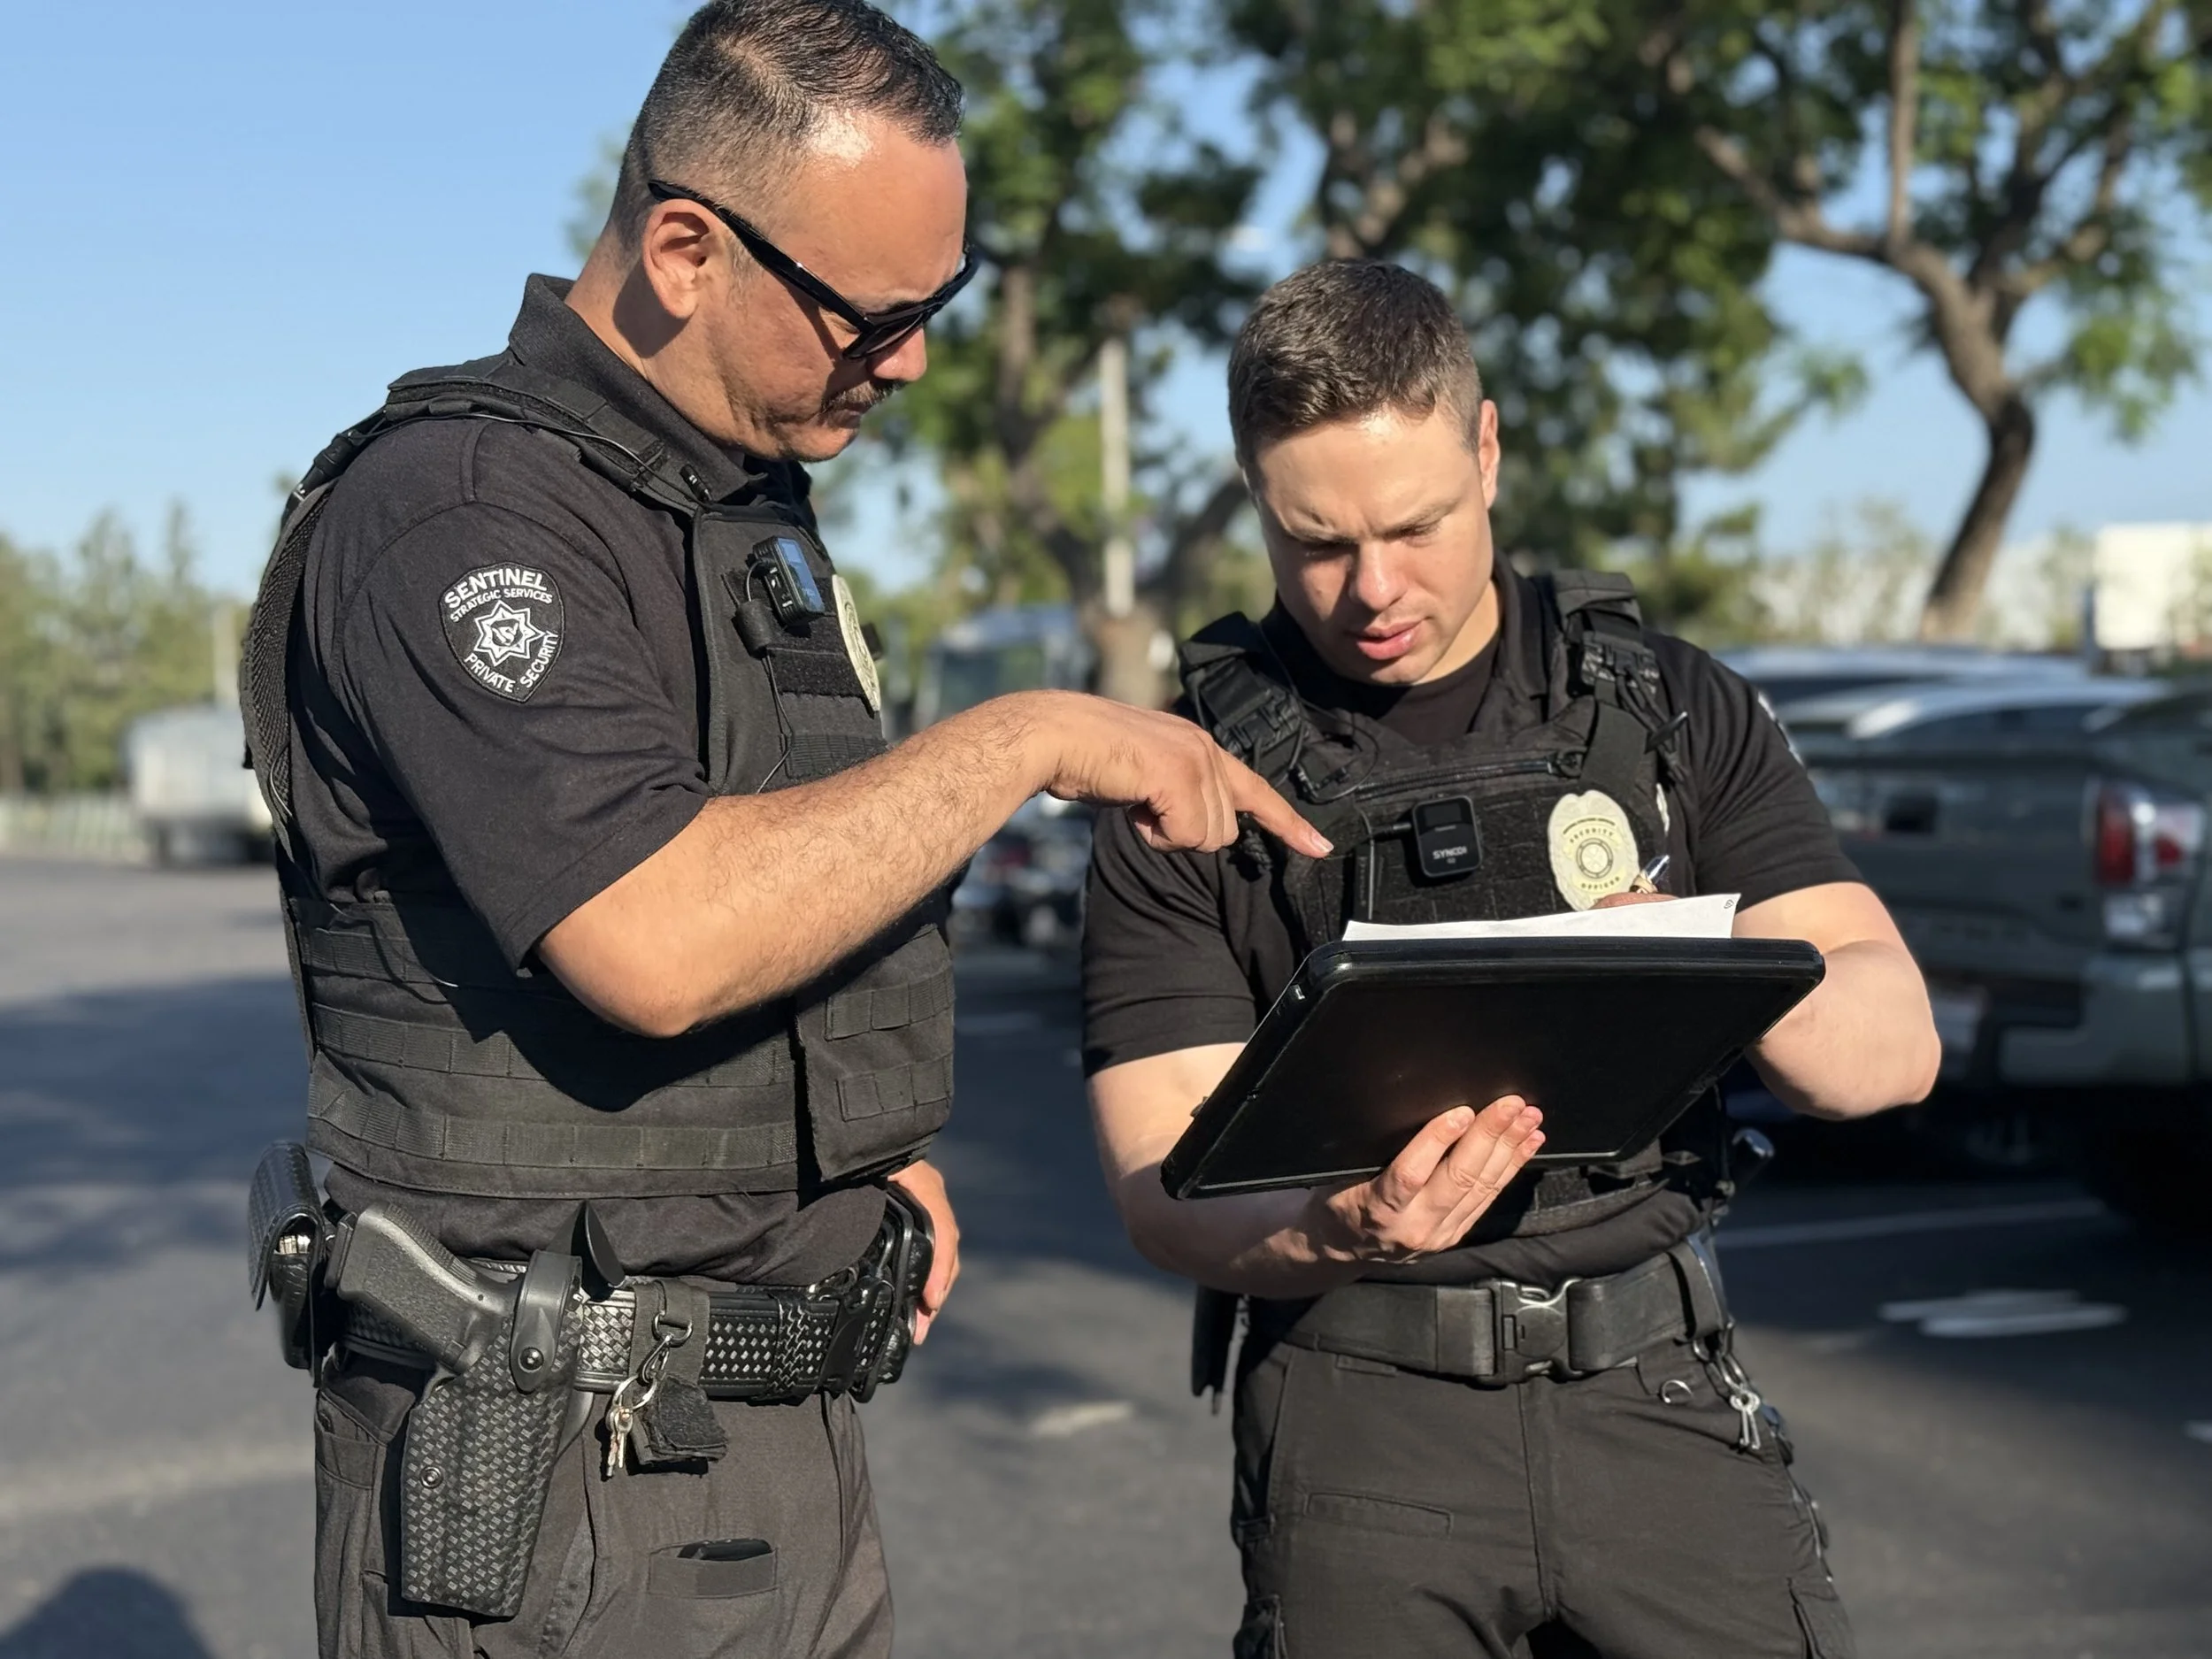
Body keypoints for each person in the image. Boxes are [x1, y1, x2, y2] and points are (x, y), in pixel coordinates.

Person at [239, 6, 1324, 1657]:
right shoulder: (461, 512)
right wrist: (1027, 734)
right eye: (873, 316)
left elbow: (785, 877)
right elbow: (658, 932)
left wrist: (845, 1158)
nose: (911, 360)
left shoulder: (736, 518)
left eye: (939, 305)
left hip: (772, 1440)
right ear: (684, 245)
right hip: (543, 1485)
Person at [1081, 261, 1941, 1659]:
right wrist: (1340, 1224)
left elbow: (1891, 1050)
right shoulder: (1191, 779)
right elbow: (1161, 1187)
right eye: (1315, 541)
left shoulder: (1664, 708)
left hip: (1654, 1395)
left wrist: (1709, 952)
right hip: (1364, 1421)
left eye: (1414, 525)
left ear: (1486, 448)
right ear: (1251, 494)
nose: (1373, 588)